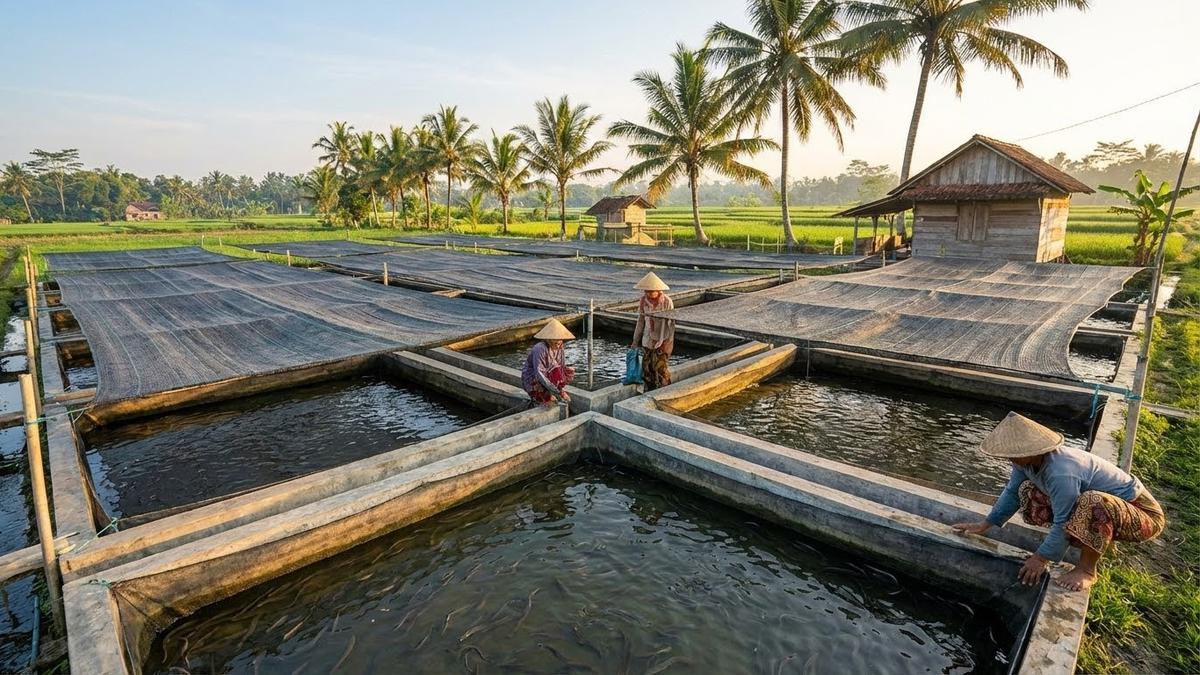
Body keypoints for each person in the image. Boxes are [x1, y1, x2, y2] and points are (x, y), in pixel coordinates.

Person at [952, 412, 1165, 592]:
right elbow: (1012, 492)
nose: (1010, 460)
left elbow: (1064, 519)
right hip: (1111, 511)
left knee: (1093, 502)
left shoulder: (1061, 472)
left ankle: (1087, 569)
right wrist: (986, 524)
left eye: (1014, 454)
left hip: (1144, 516)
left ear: (1034, 450)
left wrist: (1041, 558)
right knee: (1027, 490)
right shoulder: (1024, 463)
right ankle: (1091, 541)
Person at [631, 272, 675, 390]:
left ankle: (664, 390)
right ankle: (649, 389)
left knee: (661, 368)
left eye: (651, 291)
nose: (648, 294)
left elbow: (671, 324)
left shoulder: (667, 301)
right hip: (648, 338)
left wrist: (668, 342)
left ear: (658, 290)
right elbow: (641, 321)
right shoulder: (643, 301)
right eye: (646, 291)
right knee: (647, 368)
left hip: (662, 338)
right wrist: (635, 341)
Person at [520, 319, 575, 406]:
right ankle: (543, 395)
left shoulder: (560, 346)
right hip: (534, 376)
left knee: (564, 370)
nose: (558, 345)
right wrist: (552, 389)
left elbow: (561, 364)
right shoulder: (540, 348)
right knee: (547, 399)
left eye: (560, 342)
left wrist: (559, 389)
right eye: (555, 343)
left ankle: (556, 391)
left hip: (548, 374)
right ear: (549, 341)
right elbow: (539, 372)